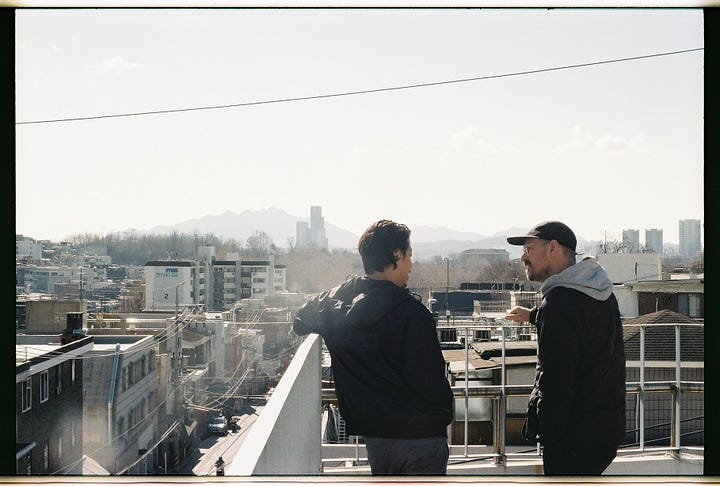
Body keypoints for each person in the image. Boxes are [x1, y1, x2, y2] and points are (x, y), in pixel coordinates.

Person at [292, 219, 453, 475]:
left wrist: (355, 284)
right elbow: (430, 383)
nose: (411, 265)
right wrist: (443, 417)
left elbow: (301, 318)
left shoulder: (338, 316)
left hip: (378, 439)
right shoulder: (414, 315)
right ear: (396, 255)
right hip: (422, 437)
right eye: (409, 256)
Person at [504, 220, 625, 475]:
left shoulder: (559, 303)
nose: (523, 257)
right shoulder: (600, 292)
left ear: (553, 248)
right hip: (603, 430)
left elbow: (556, 380)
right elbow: (583, 333)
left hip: (571, 438)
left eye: (529, 249)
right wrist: (534, 316)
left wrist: (549, 436)